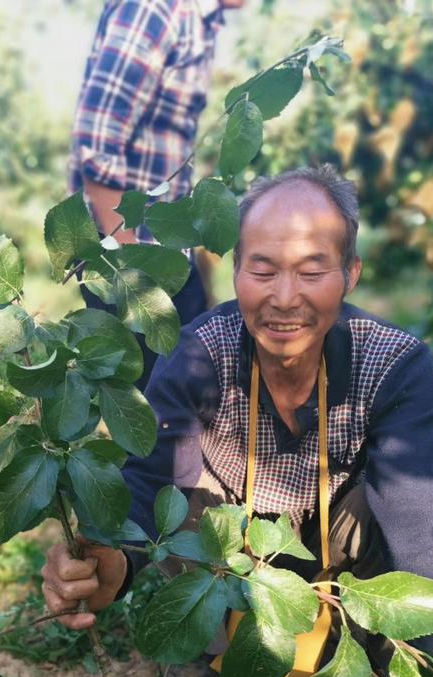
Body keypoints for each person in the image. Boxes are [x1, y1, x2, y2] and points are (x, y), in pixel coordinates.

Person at [41, 165, 433, 677]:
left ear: (351, 273)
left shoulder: (397, 366)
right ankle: (206, 642)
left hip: (336, 547)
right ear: (234, 270)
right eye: (263, 268)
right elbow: (149, 486)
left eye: (312, 268)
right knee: (187, 504)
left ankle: (373, 638)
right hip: (237, 547)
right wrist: (111, 563)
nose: (284, 296)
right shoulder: (200, 354)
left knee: (408, 518)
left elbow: (419, 526)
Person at [69, 0, 247, 388]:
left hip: (157, 253)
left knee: (190, 399)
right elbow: (97, 135)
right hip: (126, 253)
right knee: (165, 412)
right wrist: (130, 267)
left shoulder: (200, 22)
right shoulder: (159, 9)